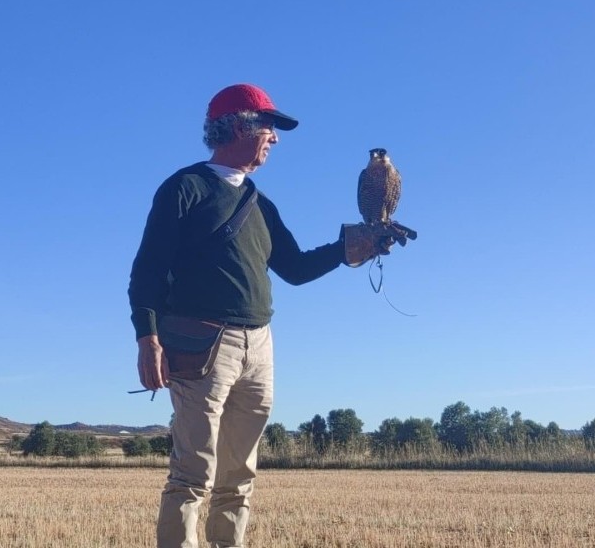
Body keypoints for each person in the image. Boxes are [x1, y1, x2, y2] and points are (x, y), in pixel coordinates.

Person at [128, 83, 404, 548]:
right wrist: (148, 339)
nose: (275, 138)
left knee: (238, 478)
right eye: (270, 127)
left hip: (260, 345)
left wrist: (352, 247)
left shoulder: (259, 202)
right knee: (193, 473)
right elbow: (147, 271)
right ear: (239, 126)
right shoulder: (185, 188)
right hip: (200, 343)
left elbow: (294, 268)